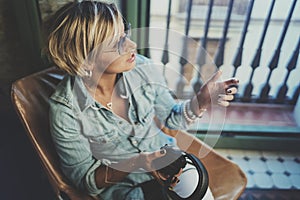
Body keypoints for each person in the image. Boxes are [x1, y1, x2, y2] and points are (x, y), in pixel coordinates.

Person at [47, 1, 239, 199]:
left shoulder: (143, 68)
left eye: (125, 34)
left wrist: (200, 101)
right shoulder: (65, 111)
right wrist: (138, 163)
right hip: (126, 188)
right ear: (86, 59)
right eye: (116, 43)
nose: (132, 45)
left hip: (170, 165)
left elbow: (173, 120)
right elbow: (85, 181)